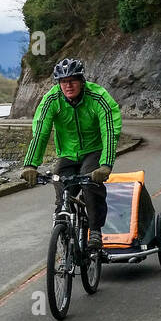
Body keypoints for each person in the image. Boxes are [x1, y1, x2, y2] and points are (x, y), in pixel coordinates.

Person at [19, 58, 123, 250]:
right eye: (63, 81)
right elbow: (40, 132)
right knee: (62, 193)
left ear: (82, 80)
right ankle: (65, 229)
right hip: (67, 154)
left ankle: (96, 231)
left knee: (92, 185)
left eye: (73, 80)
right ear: (58, 83)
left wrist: (106, 164)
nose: (68, 85)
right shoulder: (52, 99)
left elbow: (110, 130)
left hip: (94, 150)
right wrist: (30, 165)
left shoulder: (97, 96)